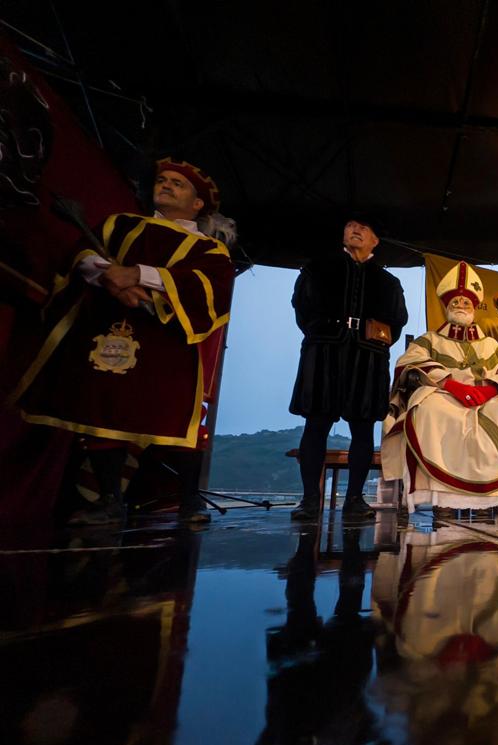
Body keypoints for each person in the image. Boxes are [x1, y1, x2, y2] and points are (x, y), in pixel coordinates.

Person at [12, 157, 235, 525]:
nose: (166, 186)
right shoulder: (121, 225)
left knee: (172, 418)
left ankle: (189, 499)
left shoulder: (207, 249)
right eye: (163, 180)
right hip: (109, 326)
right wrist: (109, 280)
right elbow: (82, 253)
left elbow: (210, 287)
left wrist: (138, 275)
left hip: (166, 339)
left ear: (198, 204)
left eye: (178, 184)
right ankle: (110, 499)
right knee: (105, 410)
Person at [381, 261, 498, 513]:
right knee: (430, 411)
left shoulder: (488, 344)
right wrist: (450, 384)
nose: (461, 306)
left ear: (474, 307)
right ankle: (444, 498)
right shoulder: (430, 339)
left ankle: (489, 498)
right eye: (456, 303)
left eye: (466, 303)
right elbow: (408, 361)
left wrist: (489, 389)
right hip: (442, 394)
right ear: (447, 307)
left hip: (484, 398)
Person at [289, 215, 408, 520]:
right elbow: (301, 306)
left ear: (375, 240)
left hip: (368, 355)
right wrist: (322, 331)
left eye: (364, 227)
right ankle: (310, 499)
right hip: (324, 350)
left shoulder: (388, 281)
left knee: (363, 427)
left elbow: (397, 320)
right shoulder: (317, 268)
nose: (356, 230)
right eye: (351, 225)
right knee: (316, 424)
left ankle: (355, 499)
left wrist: (373, 339)